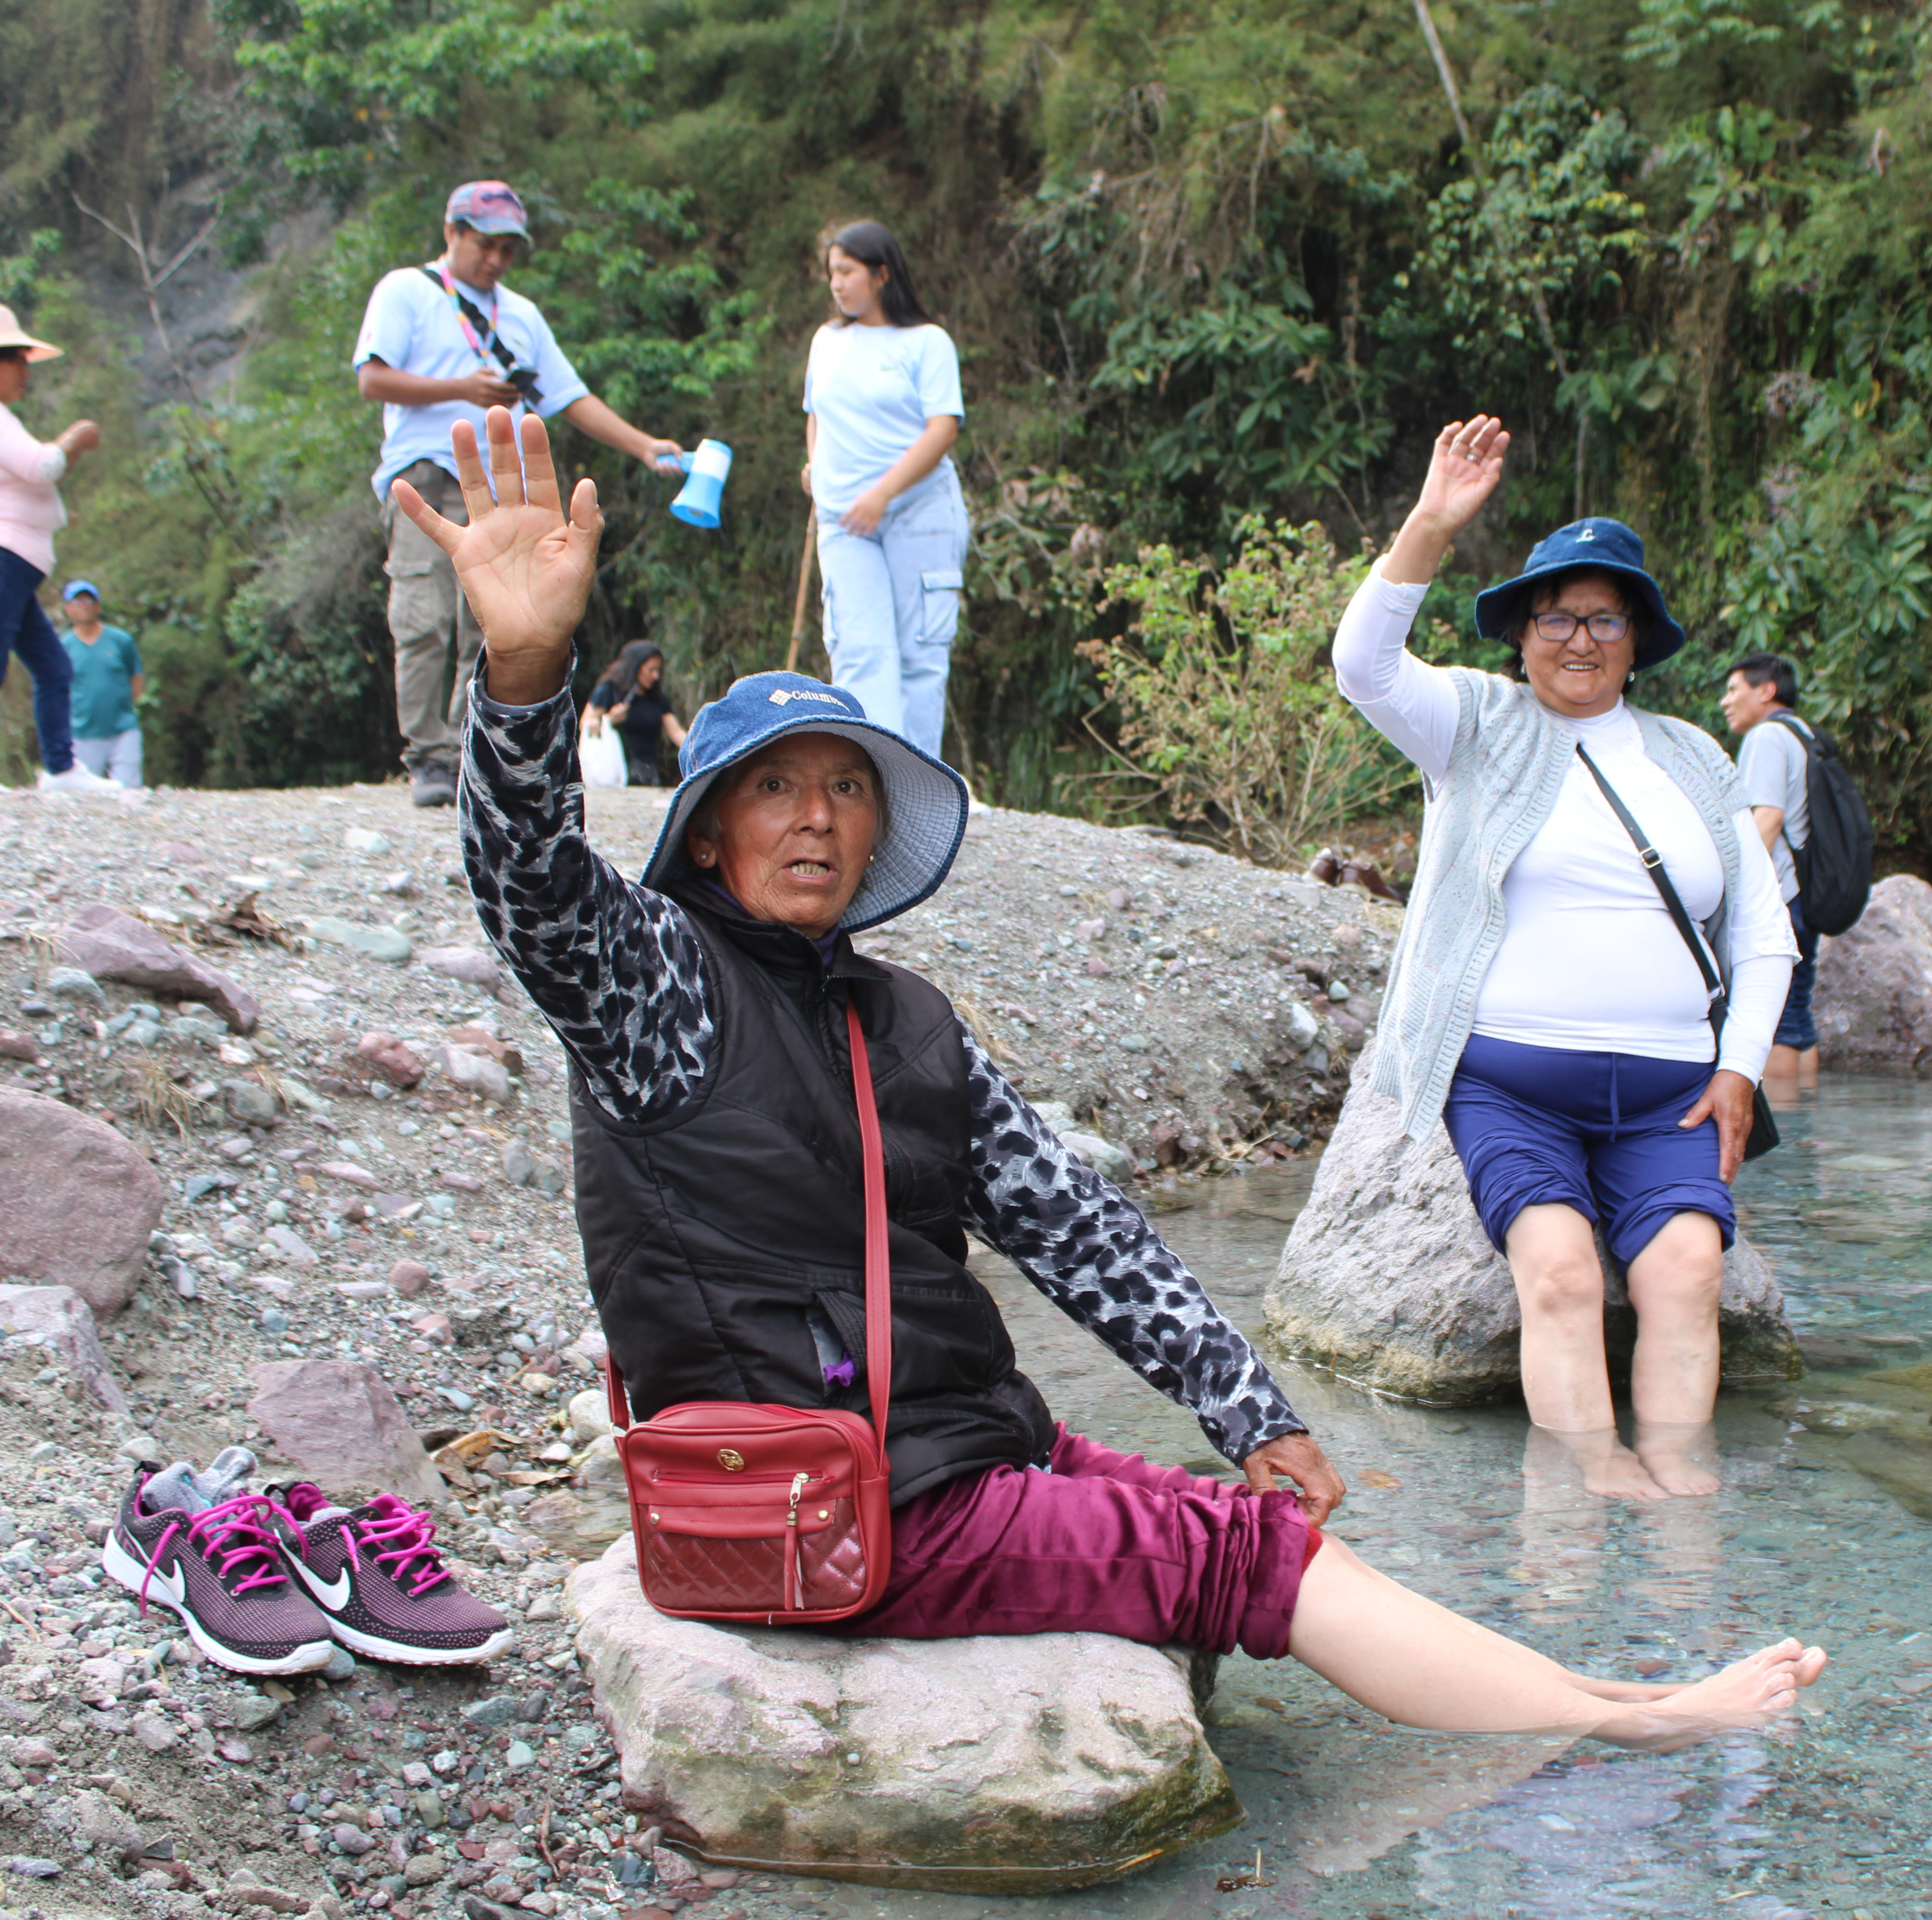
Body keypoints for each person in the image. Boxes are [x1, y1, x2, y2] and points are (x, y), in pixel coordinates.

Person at [412, 406, 1825, 1749]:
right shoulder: (655, 984)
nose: (818, 819)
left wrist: (1252, 1411)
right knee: (1246, 1558)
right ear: (710, 835)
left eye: (847, 789)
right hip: (823, 1508)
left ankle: (1596, 1681)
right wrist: (526, 677)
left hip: (941, 1462)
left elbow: (1082, 1235)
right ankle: (1629, 1723)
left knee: (1250, 1504)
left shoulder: (899, 1017)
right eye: (776, 789)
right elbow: (531, 886)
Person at [1333, 416, 1796, 1502]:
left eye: (1602, 618)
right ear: (1522, 634)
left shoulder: (1694, 756)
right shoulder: (1472, 725)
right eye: (1554, 618)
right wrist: (1431, 524)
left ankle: (1682, 1490)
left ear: (1637, 637)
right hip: (1511, 1087)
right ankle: (1585, 1483)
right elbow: (1361, 663)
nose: (1577, 640)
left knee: (1686, 1268)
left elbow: (1764, 932)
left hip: (1672, 1094)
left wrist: (1738, 1068)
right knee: (1559, 1272)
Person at [353, 180, 687, 808]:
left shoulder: (522, 315)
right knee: (423, 619)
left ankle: (464, 754)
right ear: (451, 232)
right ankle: (427, 757)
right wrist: (462, 389)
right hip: (426, 474)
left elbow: (570, 396)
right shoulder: (406, 291)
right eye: (486, 245)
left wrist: (644, 445)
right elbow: (373, 379)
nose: (497, 261)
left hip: (506, 491)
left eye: (509, 249)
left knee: (489, 624)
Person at [0, 304, 121, 795]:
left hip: (8, 560)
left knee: (53, 666)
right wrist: (75, 437)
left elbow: (30, 473)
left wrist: (64, 453)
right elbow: (41, 466)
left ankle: (61, 769)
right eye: (17, 358)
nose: (26, 371)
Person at [803, 219, 968, 760]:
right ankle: (874, 785)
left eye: (847, 271)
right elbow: (816, 416)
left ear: (881, 274)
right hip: (844, 520)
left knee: (920, 655)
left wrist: (883, 494)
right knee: (859, 652)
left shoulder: (926, 342)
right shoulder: (827, 341)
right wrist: (814, 464)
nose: (837, 283)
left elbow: (943, 428)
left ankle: (922, 790)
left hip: (918, 512)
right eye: (832, 272)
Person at [1718, 651, 1818, 1094]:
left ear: (1766, 691)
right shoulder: (1804, 734)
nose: (1726, 701)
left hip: (1781, 892)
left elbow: (1768, 819)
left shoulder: (1767, 737)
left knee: (1776, 1016)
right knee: (1797, 1010)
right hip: (1808, 891)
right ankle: (1806, 1118)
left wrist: (1733, 887)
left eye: (1734, 689)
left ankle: (1784, 1119)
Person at [59, 580, 146, 788]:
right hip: (83, 733)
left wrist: (124, 706)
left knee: (129, 791)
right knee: (87, 797)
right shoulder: (63, 647)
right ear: (67, 609)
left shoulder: (121, 641)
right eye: (77, 601)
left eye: (89, 600)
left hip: (123, 729)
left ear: (98, 606)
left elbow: (136, 677)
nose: (84, 606)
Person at [580, 639, 687, 787]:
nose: (655, 676)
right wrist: (610, 720)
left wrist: (698, 752)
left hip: (648, 774)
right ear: (635, 667)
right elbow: (586, 725)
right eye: (651, 670)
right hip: (616, 773)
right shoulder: (609, 690)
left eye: (658, 671)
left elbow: (676, 732)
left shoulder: (656, 697)